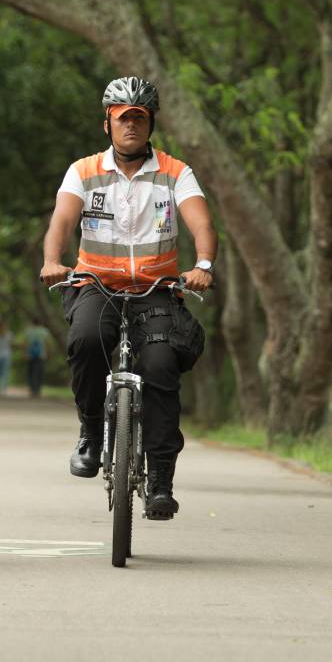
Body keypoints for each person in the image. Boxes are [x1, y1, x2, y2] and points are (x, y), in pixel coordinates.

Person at [39, 76, 216, 520]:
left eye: (139, 119)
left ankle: (160, 480)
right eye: (123, 120)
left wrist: (204, 265)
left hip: (157, 290)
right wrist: (52, 260)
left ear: (151, 123)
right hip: (96, 285)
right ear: (108, 125)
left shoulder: (176, 173)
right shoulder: (84, 171)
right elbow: (62, 219)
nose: (131, 127)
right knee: (85, 339)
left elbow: (201, 223)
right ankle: (91, 433)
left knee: (159, 367)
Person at [23, 324, 48, 397]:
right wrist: (48, 352)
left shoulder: (28, 331)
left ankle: (32, 390)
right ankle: (38, 390)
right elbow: (47, 343)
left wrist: (24, 353)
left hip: (30, 355)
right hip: (41, 355)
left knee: (30, 373)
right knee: (39, 373)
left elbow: (25, 343)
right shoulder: (44, 331)